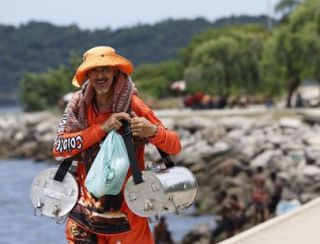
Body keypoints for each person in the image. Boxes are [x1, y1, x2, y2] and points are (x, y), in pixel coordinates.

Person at [52, 46, 181, 244]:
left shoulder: (134, 105)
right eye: (94, 70)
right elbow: (60, 148)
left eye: (104, 69)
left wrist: (153, 131)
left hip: (128, 213)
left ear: (115, 71)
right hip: (85, 213)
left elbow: (174, 146)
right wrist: (102, 128)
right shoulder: (77, 106)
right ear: (87, 75)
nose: (99, 75)